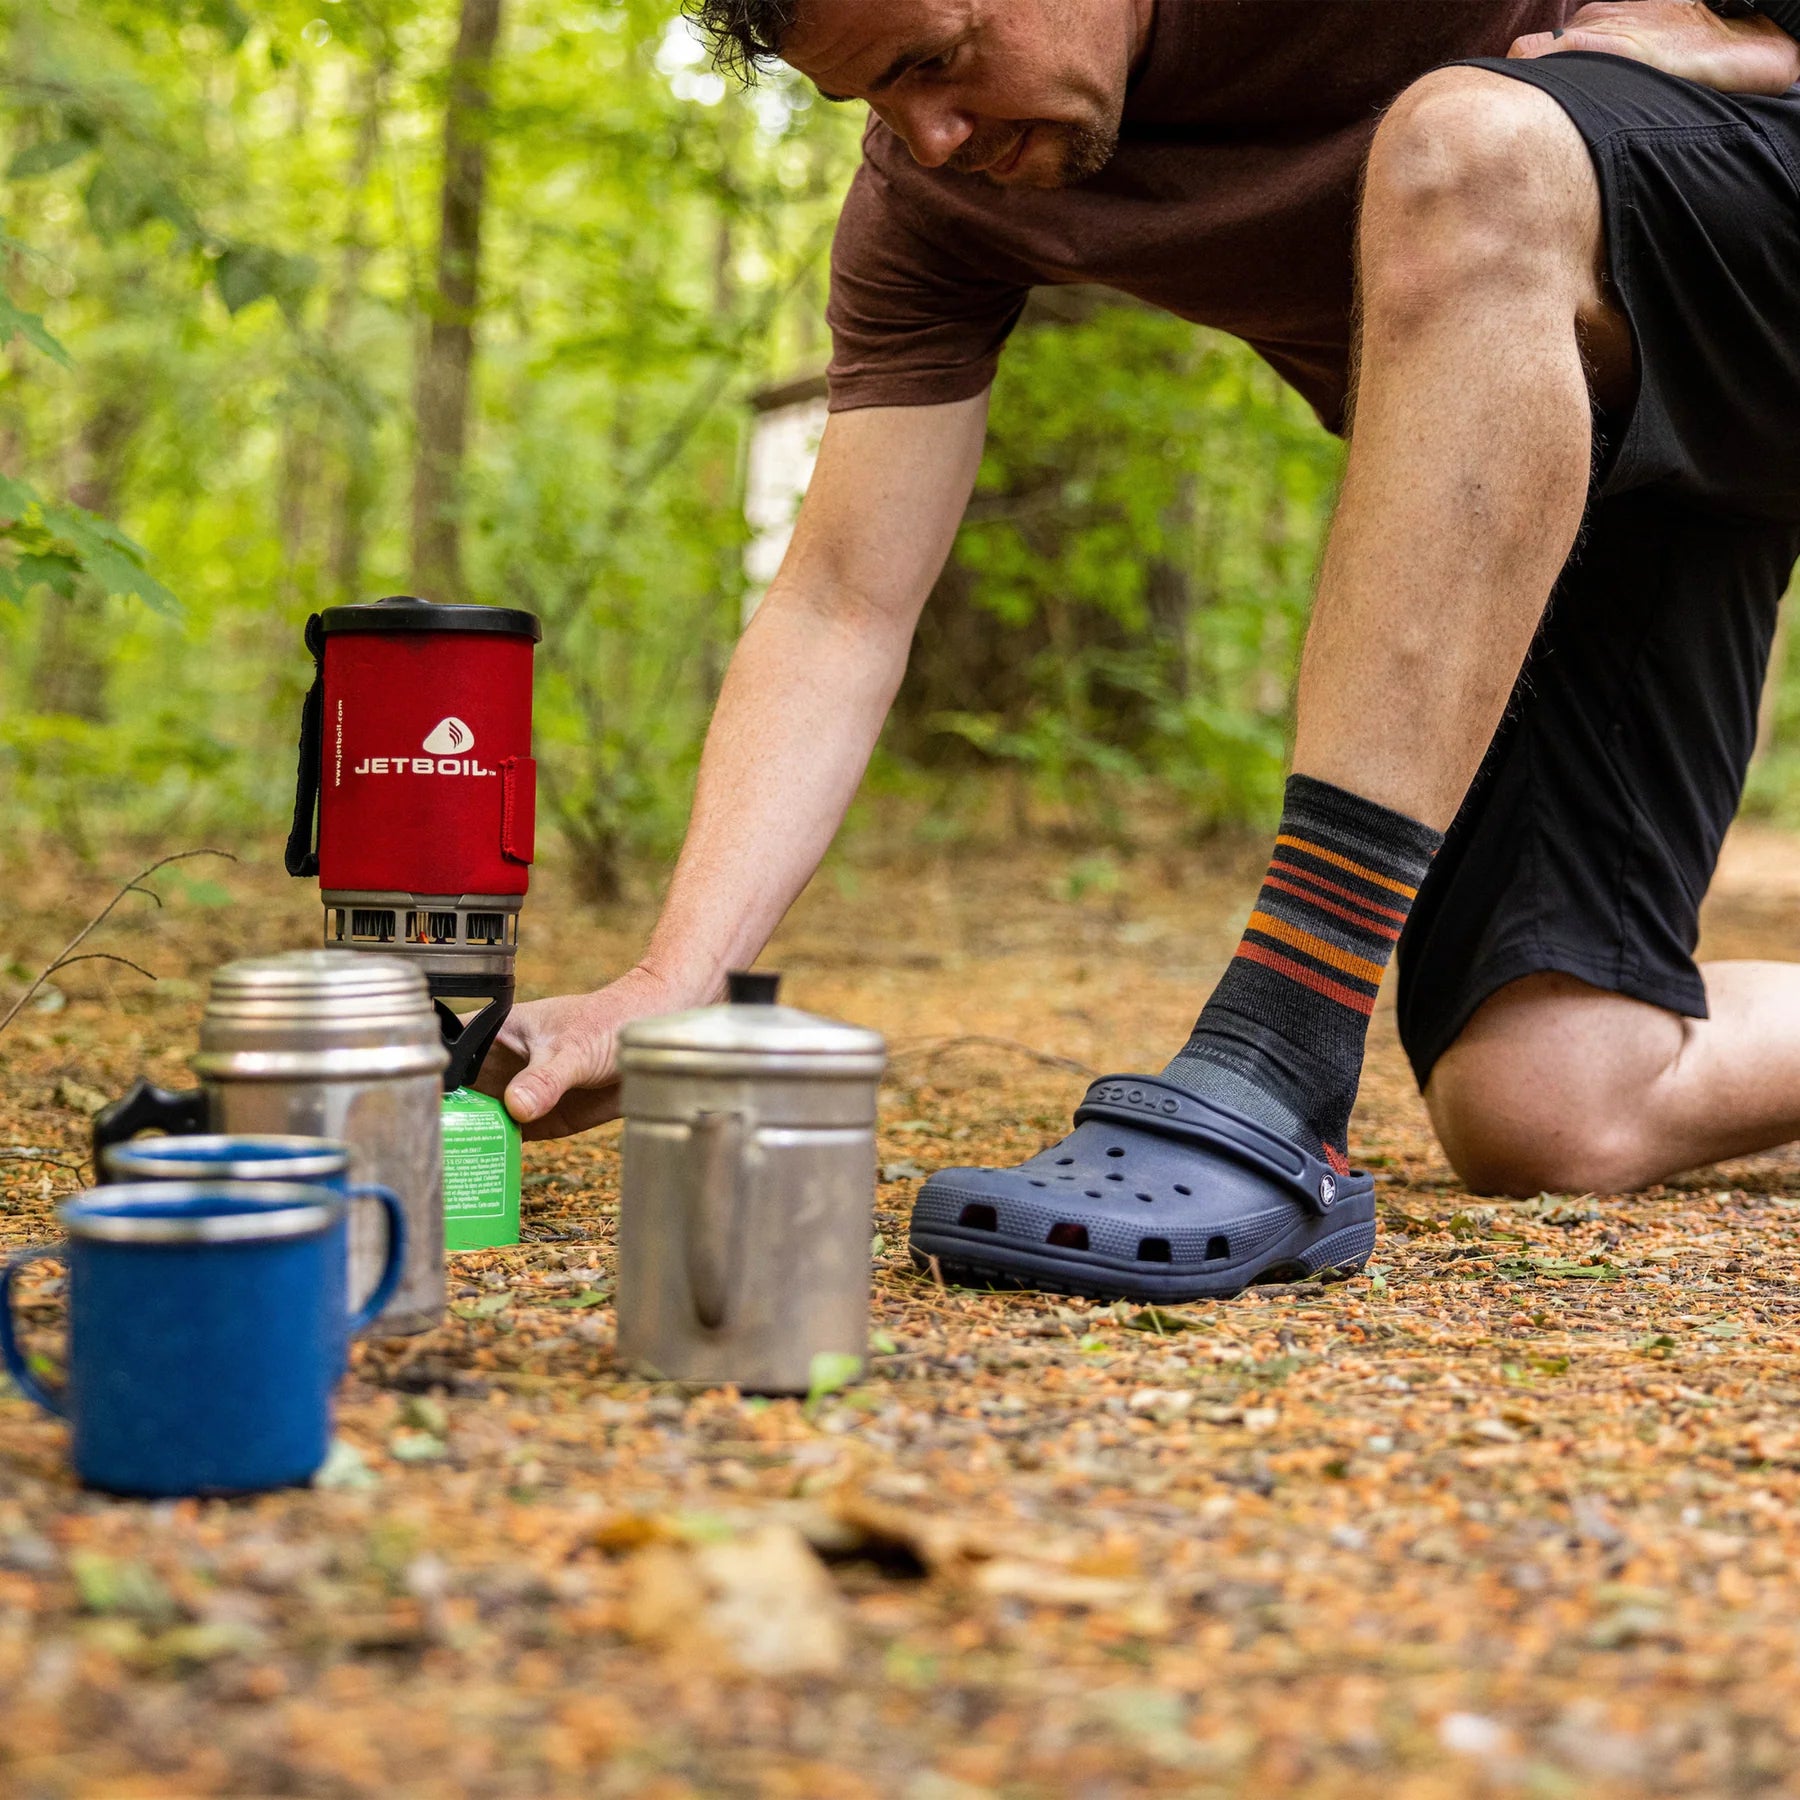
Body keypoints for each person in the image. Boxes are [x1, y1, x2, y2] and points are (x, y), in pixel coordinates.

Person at [477, 0, 1800, 1301]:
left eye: (938, 61)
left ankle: (1283, 1039)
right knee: (1550, 1099)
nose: (924, 135)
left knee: (1475, 146)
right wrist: (675, 977)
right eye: (875, 97)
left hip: (1749, 219)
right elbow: (841, 604)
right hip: (1624, 461)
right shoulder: (940, 203)